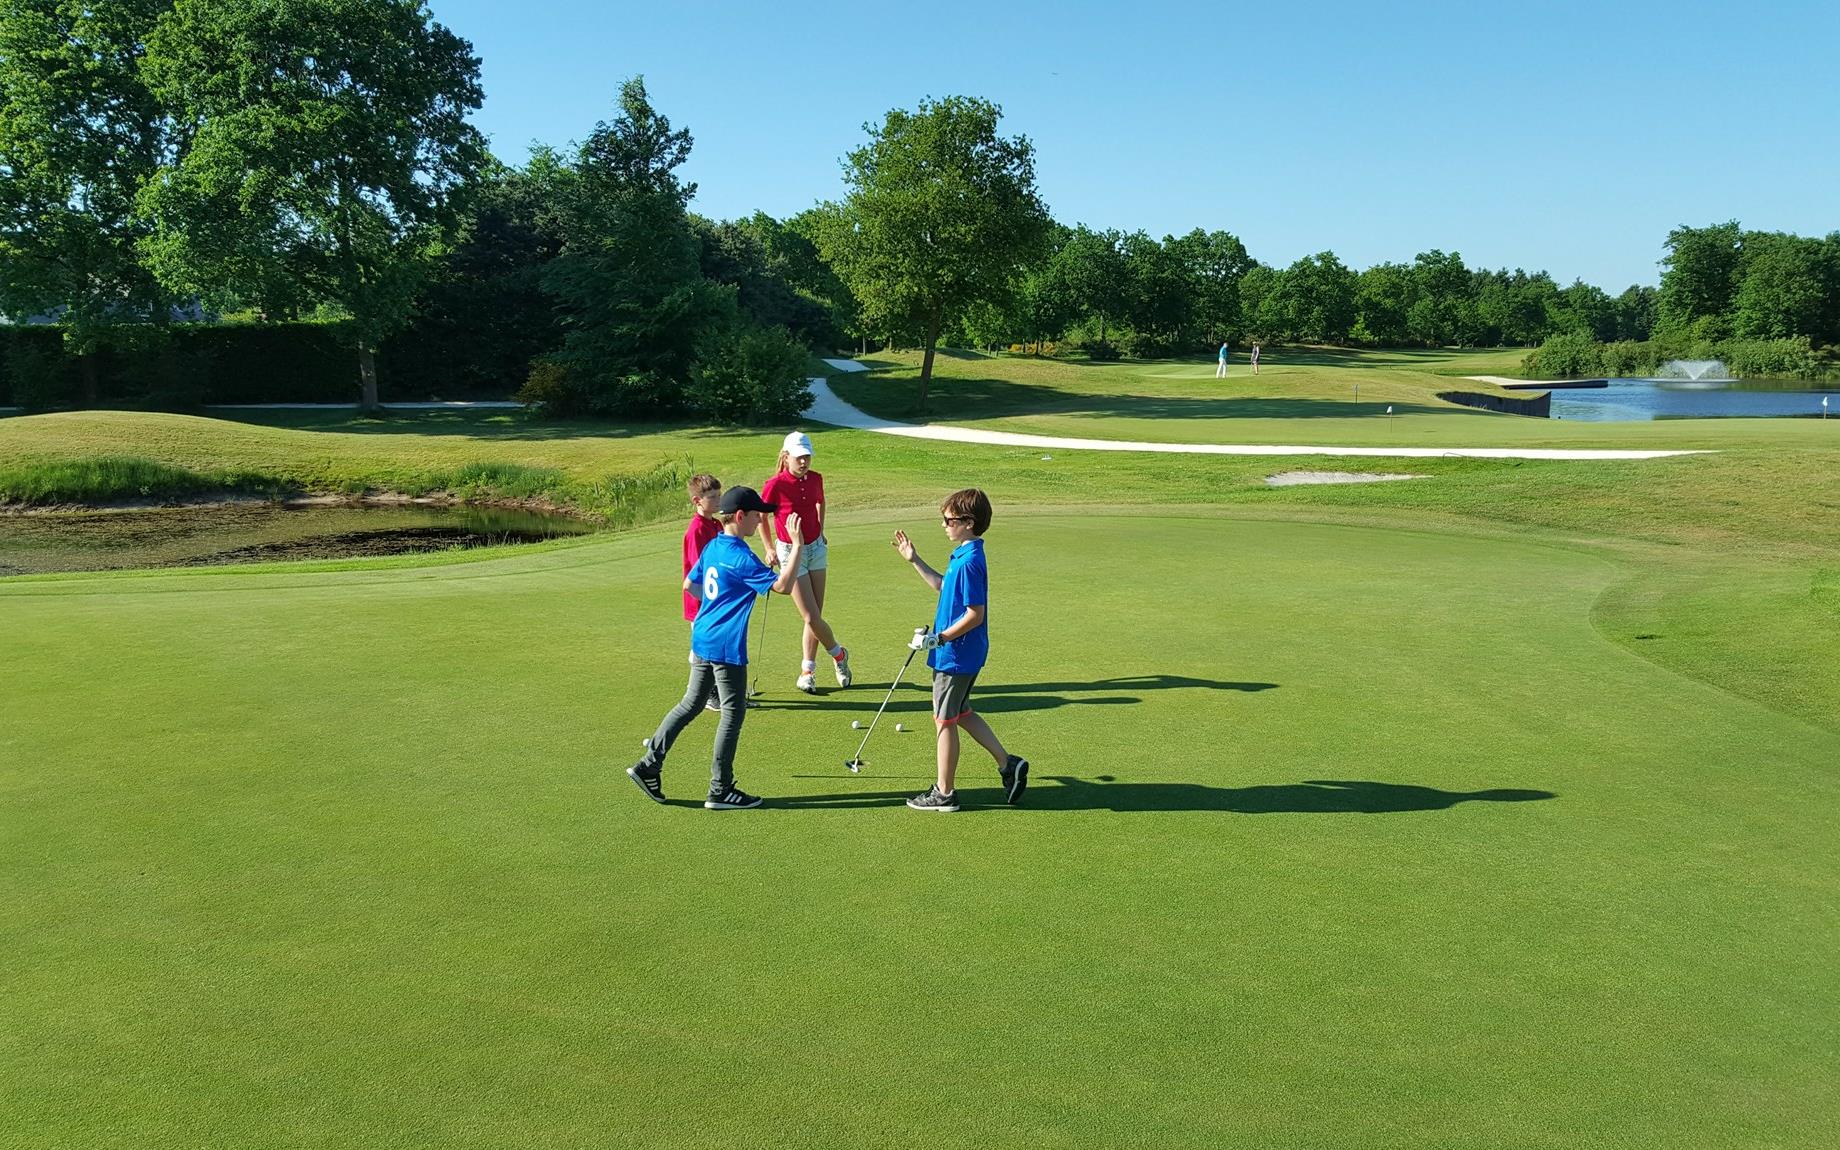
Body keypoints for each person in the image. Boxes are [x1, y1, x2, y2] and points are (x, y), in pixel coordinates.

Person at [628, 489, 804, 810]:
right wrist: (797, 547)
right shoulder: (740, 556)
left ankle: (648, 765)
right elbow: (783, 586)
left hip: (703, 637)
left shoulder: (714, 546)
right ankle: (720, 789)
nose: (760, 520)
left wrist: (719, 602)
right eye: (756, 515)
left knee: (691, 704)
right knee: (733, 713)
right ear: (740, 516)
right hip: (725, 646)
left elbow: (690, 585)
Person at [891, 488, 1028, 812]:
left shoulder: (969, 562)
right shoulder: (964, 555)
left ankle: (945, 793)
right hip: (961, 653)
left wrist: (939, 638)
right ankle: (1008, 764)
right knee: (961, 712)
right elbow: (944, 588)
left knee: (944, 720)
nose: (944, 525)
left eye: (949, 520)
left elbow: (974, 614)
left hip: (956, 655)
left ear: (969, 522)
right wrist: (915, 560)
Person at [759, 430, 851, 694]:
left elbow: (820, 502)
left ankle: (808, 671)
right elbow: (762, 517)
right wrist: (769, 547)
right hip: (790, 552)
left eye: (807, 457)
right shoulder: (775, 484)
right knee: (810, 616)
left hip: (815, 548)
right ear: (786, 456)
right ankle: (839, 655)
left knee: (815, 616)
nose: (804, 462)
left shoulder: (816, 479)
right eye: (799, 457)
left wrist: (821, 529)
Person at [681, 474, 724, 710]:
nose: (718, 501)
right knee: (704, 648)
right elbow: (699, 571)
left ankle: (718, 690)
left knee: (715, 644)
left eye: (719, 496)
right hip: (701, 600)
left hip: (716, 597)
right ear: (697, 501)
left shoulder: (716, 524)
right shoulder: (696, 530)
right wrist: (710, 599)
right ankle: (706, 693)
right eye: (712, 497)